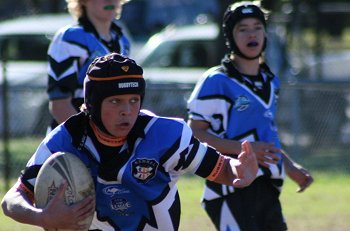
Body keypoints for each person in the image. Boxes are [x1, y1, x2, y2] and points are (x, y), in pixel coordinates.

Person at [1, 53, 259, 231]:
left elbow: (220, 168)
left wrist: (240, 171)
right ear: (91, 102)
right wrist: (42, 216)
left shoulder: (167, 136)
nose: (127, 110)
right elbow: (13, 199)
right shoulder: (65, 140)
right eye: (115, 101)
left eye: (134, 100)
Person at [186, 2, 314, 231]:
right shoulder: (216, 80)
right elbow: (195, 133)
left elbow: (266, 138)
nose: (251, 33)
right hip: (229, 186)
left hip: (266, 187)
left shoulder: (270, 81)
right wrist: (243, 149)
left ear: (265, 33)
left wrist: (290, 166)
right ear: (230, 37)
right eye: (242, 28)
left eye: (257, 27)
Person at [47, 0, 131, 132]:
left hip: (111, 137)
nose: (109, 1)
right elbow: (59, 104)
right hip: (73, 138)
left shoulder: (122, 40)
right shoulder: (70, 38)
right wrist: (88, 138)